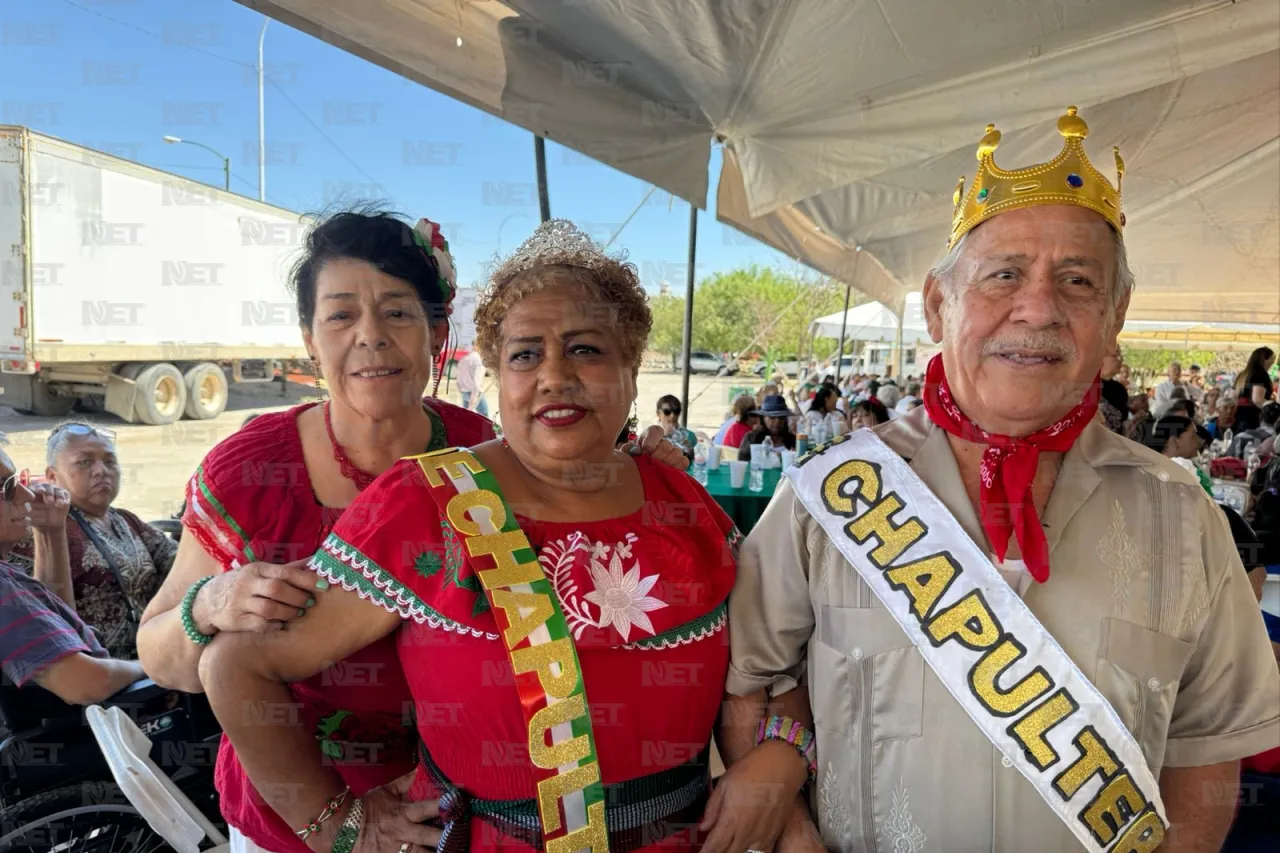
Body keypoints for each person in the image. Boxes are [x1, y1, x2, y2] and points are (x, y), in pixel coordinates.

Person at [718, 107, 1278, 853]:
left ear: (1115, 319)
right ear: (937, 305)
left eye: (1078, 282)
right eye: (1004, 275)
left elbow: (1208, 746)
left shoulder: (1184, 516)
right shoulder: (829, 494)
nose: (1038, 308)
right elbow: (753, 683)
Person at [136, 209, 692, 853]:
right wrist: (210, 603)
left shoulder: (485, 453)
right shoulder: (250, 471)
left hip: (450, 817)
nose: (370, 337)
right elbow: (161, 657)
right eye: (341, 315)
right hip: (290, 818)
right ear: (310, 340)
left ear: (436, 334)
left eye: (397, 313)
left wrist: (639, 468)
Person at [6, 421, 177, 659]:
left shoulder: (127, 521)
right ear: (51, 476)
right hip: (98, 673)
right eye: (84, 461)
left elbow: (178, 562)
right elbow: (42, 618)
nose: (101, 471)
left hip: (154, 661)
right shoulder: (36, 530)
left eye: (109, 461)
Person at [0, 439, 146, 704]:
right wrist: (152, 669)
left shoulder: (124, 520)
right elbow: (86, 684)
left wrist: (50, 532)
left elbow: (57, 624)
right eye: (6, 487)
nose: (27, 495)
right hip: (87, 731)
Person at [738, 394, 797, 460]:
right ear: (763, 419)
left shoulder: (792, 440)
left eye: (781, 418)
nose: (777, 422)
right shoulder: (752, 439)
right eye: (772, 418)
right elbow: (743, 463)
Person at [1233, 346, 1277, 432]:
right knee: (1253, 443)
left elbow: (1232, 396)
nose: (1273, 362)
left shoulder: (1242, 375)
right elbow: (1257, 399)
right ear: (1266, 359)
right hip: (1253, 419)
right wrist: (1273, 407)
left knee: (1240, 442)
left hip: (1239, 416)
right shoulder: (1260, 374)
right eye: (1272, 359)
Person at [456, 347, 489, 417]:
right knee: (484, 415)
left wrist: (461, 389)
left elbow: (458, 377)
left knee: (466, 417)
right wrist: (474, 397)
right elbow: (477, 381)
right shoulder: (479, 361)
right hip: (474, 392)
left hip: (465, 391)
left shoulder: (465, 359)